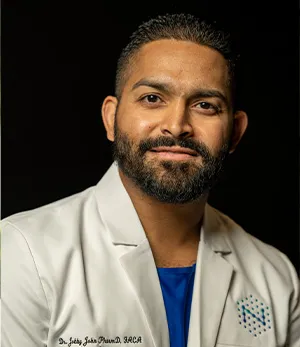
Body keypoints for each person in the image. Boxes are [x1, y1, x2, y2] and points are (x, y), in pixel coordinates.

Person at [1, 13, 299, 347]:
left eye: (205, 105)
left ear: (236, 132)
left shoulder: (275, 278)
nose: (176, 125)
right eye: (153, 98)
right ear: (111, 118)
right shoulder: (23, 254)